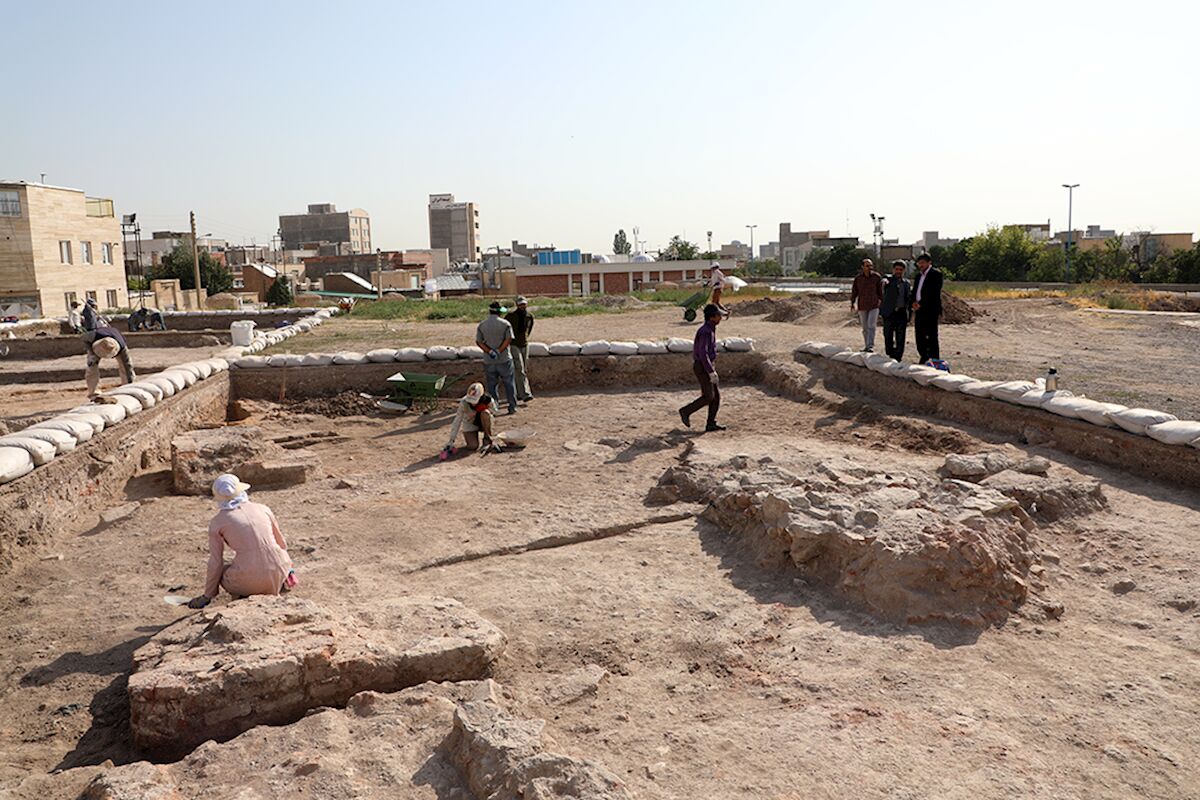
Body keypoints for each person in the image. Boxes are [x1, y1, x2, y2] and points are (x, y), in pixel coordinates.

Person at [187, 474, 295, 609]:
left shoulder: (218, 522)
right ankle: (276, 584)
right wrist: (289, 569)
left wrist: (208, 595)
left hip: (249, 577)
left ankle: (244, 595)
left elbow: (216, 561)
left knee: (223, 571)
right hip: (280, 568)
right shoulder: (263, 508)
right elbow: (281, 543)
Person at [678, 303, 726, 432]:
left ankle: (711, 423)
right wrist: (710, 371)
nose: (720, 318)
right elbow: (703, 353)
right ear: (712, 317)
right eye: (718, 316)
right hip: (702, 367)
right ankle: (685, 411)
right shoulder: (705, 331)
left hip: (707, 365)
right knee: (708, 396)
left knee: (716, 397)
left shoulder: (709, 329)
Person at [476, 301, 518, 414]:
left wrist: (490, 351)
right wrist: (499, 351)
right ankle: (512, 406)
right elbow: (508, 339)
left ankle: (494, 408)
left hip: (489, 360)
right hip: (504, 359)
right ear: (499, 312)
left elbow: (479, 342)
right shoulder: (505, 324)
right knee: (509, 383)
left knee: (492, 385)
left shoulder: (482, 325)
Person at [443, 382, 497, 456]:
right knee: (473, 446)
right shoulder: (464, 402)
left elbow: (494, 412)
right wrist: (451, 440)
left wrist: (482, 410)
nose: (472, 403)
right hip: (470, 422)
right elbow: (457, 420)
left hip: (483, 421)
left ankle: (487, 439)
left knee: (486, 413)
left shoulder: (488, 400)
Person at [84, 325, 136, 398]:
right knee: (91, 367)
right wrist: (91, 353)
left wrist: (130, 383)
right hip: (96, 347)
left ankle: (127, 387)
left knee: (126, 366)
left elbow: (128, 366)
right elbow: (84, 339)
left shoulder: (122, 346)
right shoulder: (92, 336)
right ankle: (94, 392)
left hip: (115, 341)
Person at [910, 252, 944, 364]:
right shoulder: (919, 276)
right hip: (919, 309)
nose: (921, 265)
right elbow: (915, 291)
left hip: (931, 310)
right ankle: (924, 355)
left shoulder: (936, 274)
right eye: (919, 263)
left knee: (932, 334)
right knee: (919, 334)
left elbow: (933, 293)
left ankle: (935, 358)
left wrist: (922, 303)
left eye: (923, 263)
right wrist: (913, 302)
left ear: (929, 263)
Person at [880, 260, 912, 361]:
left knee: (901, 337)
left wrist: (910, 313)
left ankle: (898, 357)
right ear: (893, 270)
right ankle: (890, 353)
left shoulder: (906, 283)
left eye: (901, 270)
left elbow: (908, 299)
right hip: (889, 313)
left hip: (901, 313)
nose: (898, 271)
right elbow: (884, 279)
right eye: (897, 269)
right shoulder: (888, 280)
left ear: (904, 271)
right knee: (888, 335)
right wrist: (884, 281)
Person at [850, 258, 884, 352]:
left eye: (870, 266)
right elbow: (854, 292)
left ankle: (870, 346)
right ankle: (866, 345)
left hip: (874, 305)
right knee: (865, 328)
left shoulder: (876, 277)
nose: (869, 268)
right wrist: (852, 303)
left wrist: (881, 301)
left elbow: (880, 291)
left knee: (871, 326)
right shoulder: (858, 279)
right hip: (863, 305)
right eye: (867, 266)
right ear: (862, 267)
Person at [505, 296, 535, 402]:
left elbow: (529, 329)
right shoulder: (510, 316)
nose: (522, 306)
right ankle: (525, 394)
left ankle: (518, 393)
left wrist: (525, 338)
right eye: (520, 304)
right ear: (517, 305)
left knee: (523, 369)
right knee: (519, 369)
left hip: (524, 344)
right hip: (514, 345)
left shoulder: (529, 316)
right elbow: (506, 329)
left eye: (524, 304)